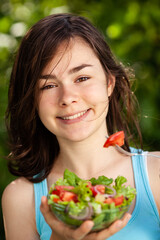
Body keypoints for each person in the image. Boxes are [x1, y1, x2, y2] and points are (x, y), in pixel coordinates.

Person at [2, 13, 160, 240]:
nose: (67, 97)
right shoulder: (21, 198)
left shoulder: (156, 175)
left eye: (82, 78)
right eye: (48, 85)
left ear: (109, 83)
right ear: (32, 100)